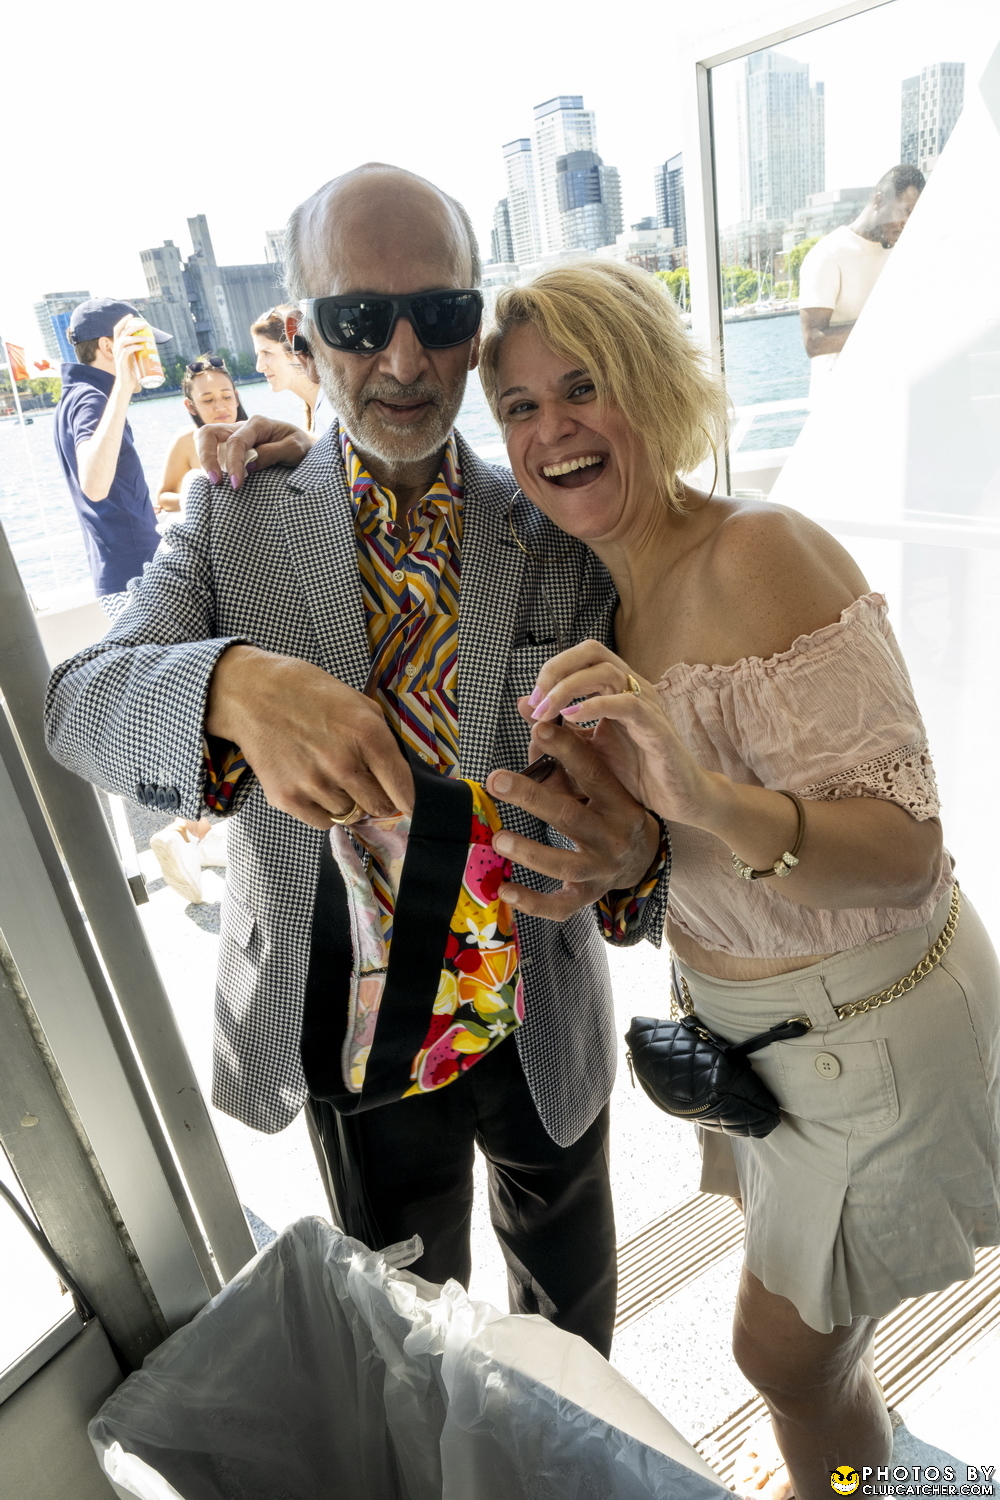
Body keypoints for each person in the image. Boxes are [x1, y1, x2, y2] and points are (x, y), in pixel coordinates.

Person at [45, 165, 669, 1358]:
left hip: (540, 1013)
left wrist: (639, 858)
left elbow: (654, 799)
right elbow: (79, 705)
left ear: (475, 328)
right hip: (352, 1025)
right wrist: (233, 684)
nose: (403, 357)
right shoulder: (233, 515)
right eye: (357, 317)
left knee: (574, 1324)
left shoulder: (561, 534)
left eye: (439, 313)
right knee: (407, 1346)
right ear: (300, 329)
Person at [475, 259, 1000, 1500]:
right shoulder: (608, 594)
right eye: (519, 406)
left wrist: (705, 800)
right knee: (814, 1345)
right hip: (758, 1044)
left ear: (654, 385)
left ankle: (849, 1483)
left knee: (776, 1356)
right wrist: (624, 856)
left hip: (866, 1035)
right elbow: (686, 857)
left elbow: (904, 853)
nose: (551, 430)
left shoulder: (758, 552)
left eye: (583, 387)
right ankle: (858, 1465)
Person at [53, 298, 171, 617]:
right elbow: (94, 485)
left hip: (123, 574)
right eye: (142, 344)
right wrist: (123, 386)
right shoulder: (92, 399)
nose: (151, 353)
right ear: (109, 347)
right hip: (134, 581)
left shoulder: (75, 396)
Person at [798, 164, 925, 395]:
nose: (907, 223)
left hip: (888, 394)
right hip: (839, 400)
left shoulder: (901, 253)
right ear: (879, 201)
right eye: (905, 211)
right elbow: (813, 341)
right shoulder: (827, 255)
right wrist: (885, 326)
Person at [155, 355, 248, 515]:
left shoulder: (259, 432)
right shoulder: (186, 440)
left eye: (227, 397)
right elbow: (164, 497)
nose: (220, 407)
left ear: (236, 397)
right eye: (208, 400)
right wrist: (204, 498)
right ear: (190, 406)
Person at [251, 304, 334, 436]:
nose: (259, 367)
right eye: (258, 355)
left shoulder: (331, 411)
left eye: (267, 353)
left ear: (297, 351)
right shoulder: (317, 410)